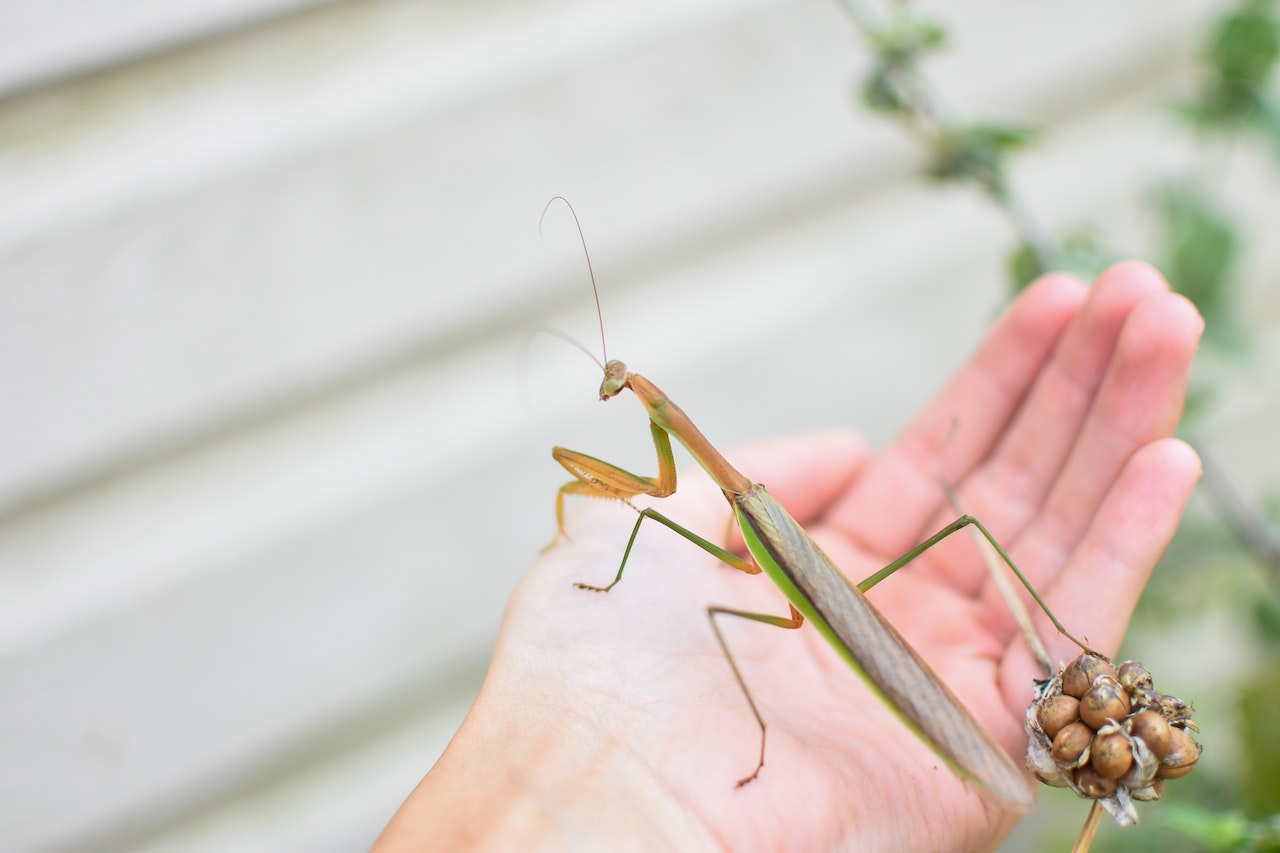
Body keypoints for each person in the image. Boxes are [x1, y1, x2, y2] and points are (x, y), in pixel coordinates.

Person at [372, 262, 1203, 852]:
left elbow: (653, 498)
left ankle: (1025, 649)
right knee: (966, 532)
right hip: (818, 592)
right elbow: (665, 489)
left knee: (950, 533)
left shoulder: (737, 505)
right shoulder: (744, 498)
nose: (616, 388)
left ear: (647, 398)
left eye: (623, 384)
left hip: (822, 597)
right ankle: (1031, 660)